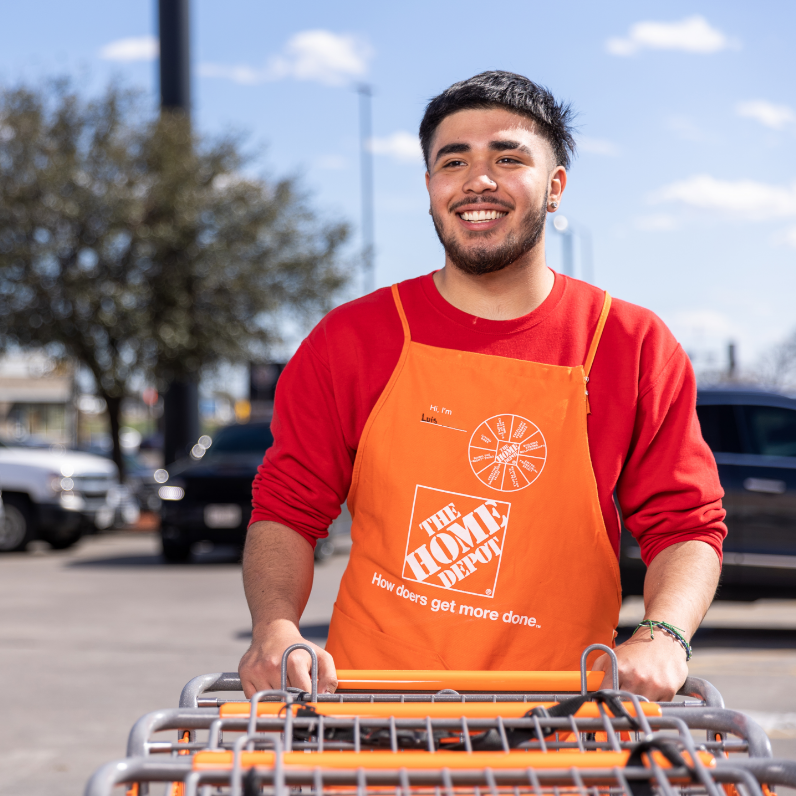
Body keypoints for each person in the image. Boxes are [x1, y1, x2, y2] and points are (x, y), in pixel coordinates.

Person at [239, 71, 725, 701]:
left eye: (508, 157)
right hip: (372, 713)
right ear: (430, 187)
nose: (478, 180)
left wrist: (663, 635)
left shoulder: (629, 344)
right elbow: (288, 506)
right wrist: (275, 626)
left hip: (566, 720)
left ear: (555, 189)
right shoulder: (351, 339)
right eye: (454, 160)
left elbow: (685, 522)